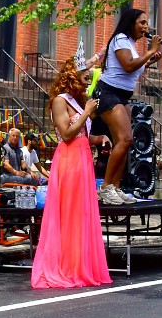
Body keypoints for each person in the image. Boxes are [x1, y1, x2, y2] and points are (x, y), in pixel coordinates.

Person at [31, 58, 112, 289]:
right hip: (68, 162)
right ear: (73, 77)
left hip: (83, 160)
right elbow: (66, 135)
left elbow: (81, 137)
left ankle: (78, 266)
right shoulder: (60, 100)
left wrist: (100, 138)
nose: (89, 82)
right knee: (68, 213)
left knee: (81, 215)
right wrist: (87, 112)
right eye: (86, 77)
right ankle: (64, 266)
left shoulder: (77, 103)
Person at [93, 9, 162, 205]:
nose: (146, 27)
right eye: (142, 23)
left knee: (125, 142)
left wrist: (150, 60)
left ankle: (116, 188)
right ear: (131, 22)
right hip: (108, 93)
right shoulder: (120, 39)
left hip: (123, 95)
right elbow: (128, 66)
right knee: (125, 139)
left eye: (146, 23)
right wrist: (150, 50)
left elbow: (134, 66)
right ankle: (105, 187)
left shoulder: (130, 44)